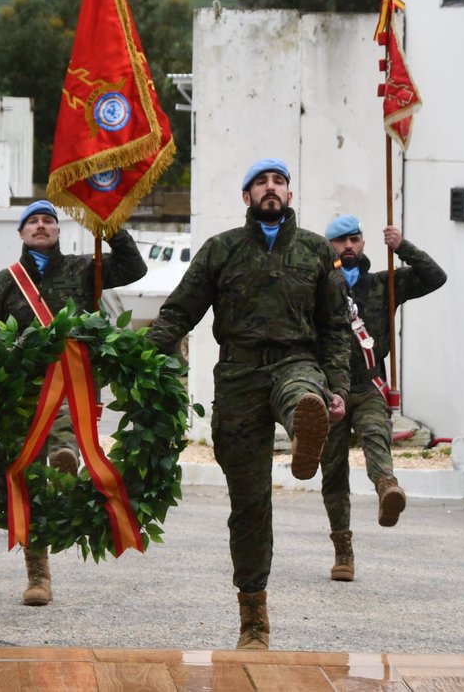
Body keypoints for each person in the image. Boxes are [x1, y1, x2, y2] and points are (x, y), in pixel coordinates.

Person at [146, 159, 351, 651]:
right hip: (237, 375)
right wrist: (144, 358)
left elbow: (335, 327)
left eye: (278, 182)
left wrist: (337, 385)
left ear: (289, 192)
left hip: (296, 360)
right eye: (261, 183)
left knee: (303, 392)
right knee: (250, 503)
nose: (270, 189)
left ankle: (308, 425)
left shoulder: (317, 251)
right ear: (247, 197)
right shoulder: (222, 249)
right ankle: (253, 617)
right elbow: (180, 310)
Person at [0, 198, 147, 606]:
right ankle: (38, 574)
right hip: (20, 392)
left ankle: (66, 453)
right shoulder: (2, 283)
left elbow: (135, 268)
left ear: (58, 231)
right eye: (32, 221)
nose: (40, 226)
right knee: (27, 481)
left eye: (48, 220)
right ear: (21, 233)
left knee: (66, 424)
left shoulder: (86, 269)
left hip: (73, 383)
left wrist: (111, 229)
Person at [319, 215, 447, 583]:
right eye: (341, 242)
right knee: (334, 472)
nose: (349, 247)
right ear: (330, 249)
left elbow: (435, 277)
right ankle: (343, 551)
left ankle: (387, 488)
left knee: (377, 436)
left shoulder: (383, 284)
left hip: (369, 385)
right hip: (331, 391)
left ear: (363, 243)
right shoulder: (319, 288)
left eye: (355, 240)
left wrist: (402, 246)